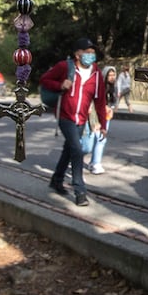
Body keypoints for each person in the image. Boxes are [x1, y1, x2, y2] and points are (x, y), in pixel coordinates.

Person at [39, 37, 110, 206]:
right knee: (77, 150)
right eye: (87, 52)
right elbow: (44, 80)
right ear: (77, 54)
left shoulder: (97, 74)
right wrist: (60, 85)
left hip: (82, 118)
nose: (90, 55)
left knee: (69, 150)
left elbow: (100, 101)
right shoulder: (65, 67)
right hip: (65, 117)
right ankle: (80, 190)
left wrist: (103, 125)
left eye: (92, 53)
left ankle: (56, 180)